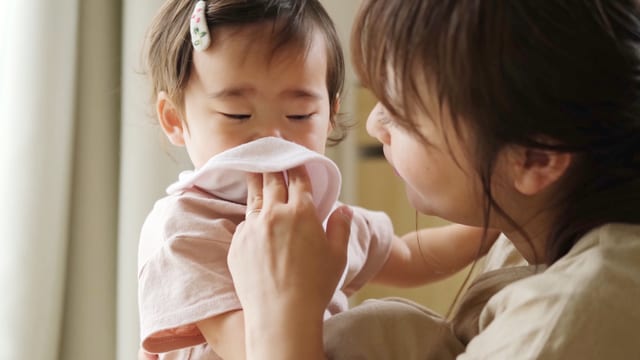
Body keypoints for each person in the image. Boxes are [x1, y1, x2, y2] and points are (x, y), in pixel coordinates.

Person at [226, 0, 640, 359]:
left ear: (535, 158)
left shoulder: (573, 319)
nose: (373, 125)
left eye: (400, 111)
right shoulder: (534, 222)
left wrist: (278, 317)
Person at [137, 1, 497, 359]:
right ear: (174, 120)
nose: (272, 137)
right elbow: (250, 349)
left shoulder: (321, 215)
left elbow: (407, 255)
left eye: (299, 114)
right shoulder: (186, 230)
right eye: (238, 114)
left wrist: (494, 225)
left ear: (329, 116)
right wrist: (299, 293)